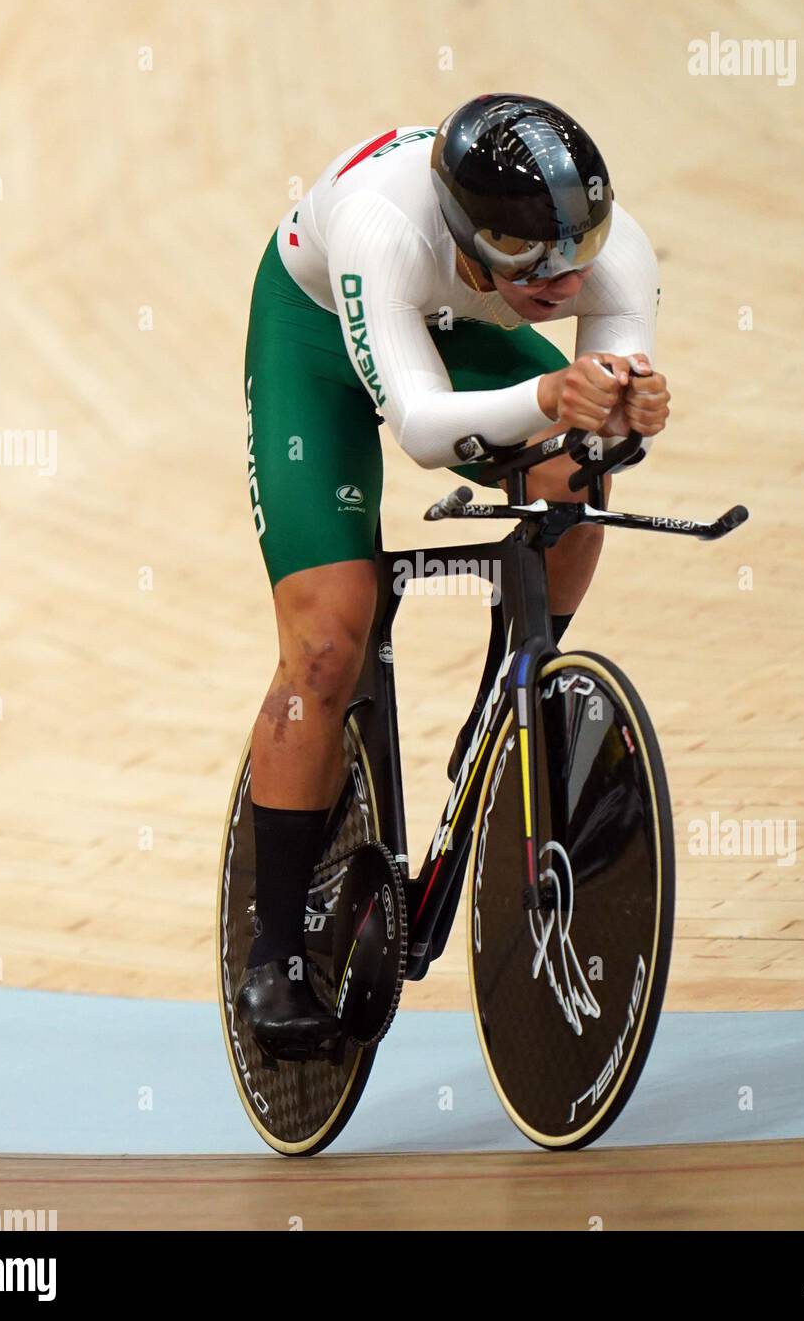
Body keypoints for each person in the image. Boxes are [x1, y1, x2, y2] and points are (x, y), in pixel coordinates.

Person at [236, 93, 671, 1050]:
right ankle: (273, 949)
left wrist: (621, 417)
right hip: (317, 336)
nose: (560, 284)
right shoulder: (384, 225)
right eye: (528, 266)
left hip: (440, 327)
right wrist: (554, 391)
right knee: (326, 642)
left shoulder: (614, 250)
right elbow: (425, 432)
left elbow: (593, 441)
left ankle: (510, 698)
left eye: (577, 256)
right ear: (468, 240)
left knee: (575, 478)